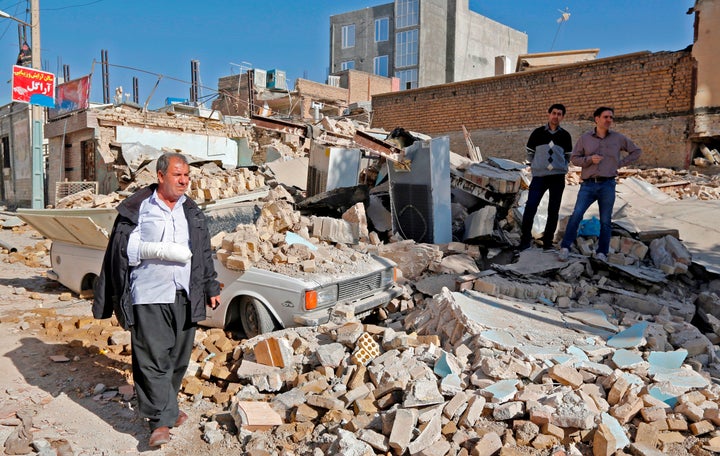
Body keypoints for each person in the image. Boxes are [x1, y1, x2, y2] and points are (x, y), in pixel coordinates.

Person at [93, 152, 221, 448]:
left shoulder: (191, 210)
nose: (184, 180)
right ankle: (159, 422)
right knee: (152, 360)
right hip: (149, 294)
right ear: (160, 176)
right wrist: (157, 250)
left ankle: (167, 407)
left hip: (184, 293)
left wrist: (211, 286)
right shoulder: (138, 208)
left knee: (177, 358)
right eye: (178, 175)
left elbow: (203, 252)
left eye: (187, 175)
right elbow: (123, 249)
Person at [558, 107, 642, 261]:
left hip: (607, 185)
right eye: (605, 117)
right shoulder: (585, 138)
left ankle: (602, 252)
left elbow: (636, 151)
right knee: (576, 215)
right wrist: (590, 159)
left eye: (611, 117)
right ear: (597, 119)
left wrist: (620, 163)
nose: (609, 120)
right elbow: (575, 159)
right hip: (588, 185)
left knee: (605, 220)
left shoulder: (618, 138)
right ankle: (565, 247)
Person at [519, 103, 573, 251]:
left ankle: (548, 242)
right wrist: (537, 166)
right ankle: (525, 241)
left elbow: (567, 156)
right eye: (554, 113)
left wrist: (558, 166)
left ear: (562, 117)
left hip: (557, 178)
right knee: (531, 207)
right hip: (539, 177)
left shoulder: (565, 136)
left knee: (553, 209)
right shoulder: (537, 133)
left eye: (559, 114)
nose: (556, 116)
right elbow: (530, 152)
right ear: (549, 114)